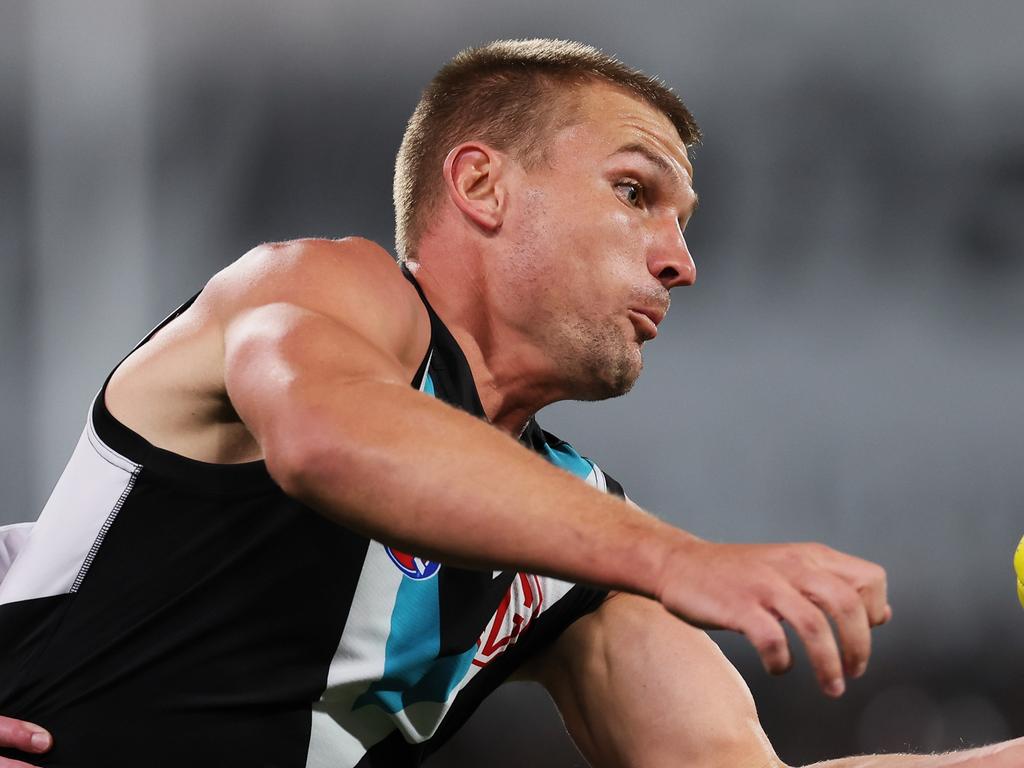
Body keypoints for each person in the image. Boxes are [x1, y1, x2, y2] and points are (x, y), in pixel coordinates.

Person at [0, 39, 1019, 768]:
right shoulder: (319, 288)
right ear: (482, 185)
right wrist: (675, 557)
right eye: (634, 192)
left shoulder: (572, 543)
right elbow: (323, 439)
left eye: (685, 221)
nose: (680, 259)